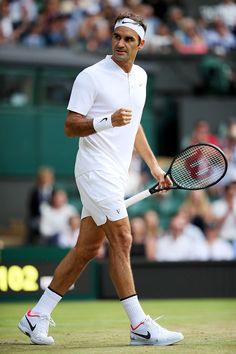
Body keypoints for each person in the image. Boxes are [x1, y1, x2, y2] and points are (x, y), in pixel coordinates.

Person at [18, 12, 184, 347]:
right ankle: (139, 325)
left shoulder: (140, 77)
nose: (121, 43)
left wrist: (153, 167)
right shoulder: (90, 76)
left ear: (141, 44)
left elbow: (134, 124)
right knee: (122, 238)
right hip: (94, 170)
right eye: (117, 37)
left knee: (87, 248)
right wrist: (106, 121)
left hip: (116, 174)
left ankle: (35, 317)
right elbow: (69, 125)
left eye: (128, 39)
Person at [26, 166, 55, 244]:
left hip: (52, 218)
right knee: (33, 225)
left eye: (47, 177)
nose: (45, 180)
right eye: (43, 177)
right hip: (38, 218)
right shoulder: (34, 192)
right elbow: (31, 208)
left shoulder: (55, 191)